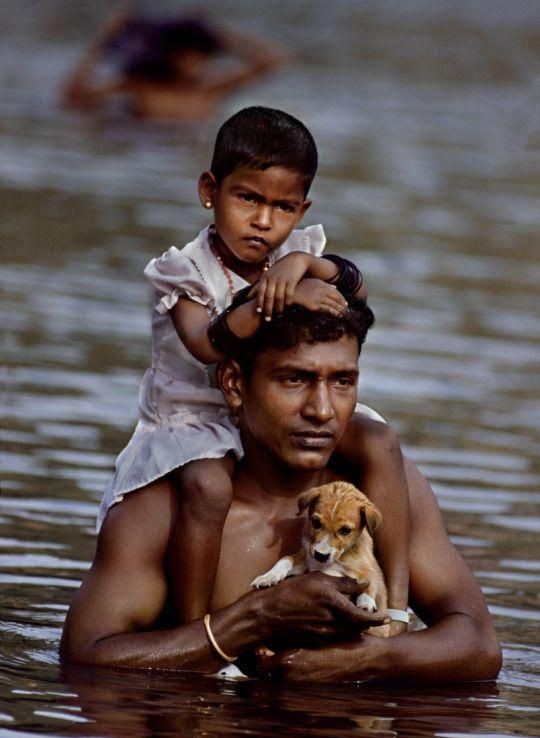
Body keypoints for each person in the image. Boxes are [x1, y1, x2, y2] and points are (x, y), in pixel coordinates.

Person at [60, 301, 502, 683]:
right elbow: (86, 656)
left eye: (343, 382)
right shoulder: (170, 506)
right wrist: (256, 617)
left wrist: (373, 659)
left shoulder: (377, 495)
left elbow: (479, 645)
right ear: (234, 384)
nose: (322, 409)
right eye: (294, 379)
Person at [95, 105, 410, 628]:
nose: (265, 221)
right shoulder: (187, 271)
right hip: (194, 417)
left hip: (270, 406)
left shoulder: (293, 257)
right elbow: (206, 344)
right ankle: (195, 624)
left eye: (284, 207)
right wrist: (277, 295)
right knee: (209, 487)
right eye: (248, 198)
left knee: (379, 441)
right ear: (209, 191)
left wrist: (307, 267)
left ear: (302, 210)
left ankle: (394, 602)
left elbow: (358, 290)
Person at [61, 9, 285, 120]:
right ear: (171, 54)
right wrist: (105, 39)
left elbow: (272, 61)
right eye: (187, 55)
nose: (194, 63)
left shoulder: (211, 87)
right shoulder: (142, 85)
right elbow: (73, 97)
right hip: (140, 147)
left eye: (201, 56)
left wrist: (221, 36)